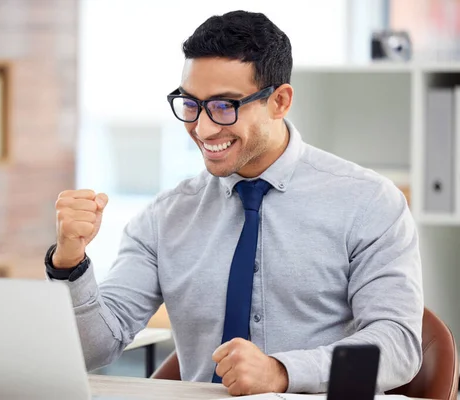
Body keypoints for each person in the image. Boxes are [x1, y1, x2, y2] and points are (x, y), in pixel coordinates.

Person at [44, 10, 423, 396]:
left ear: (280, 101)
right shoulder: (165, 217)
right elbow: (92, 350)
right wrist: (69, 263)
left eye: (224, 106)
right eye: (190, 104)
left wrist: (282, 372)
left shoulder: (368, 201)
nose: (203, 128)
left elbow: (398, 345)